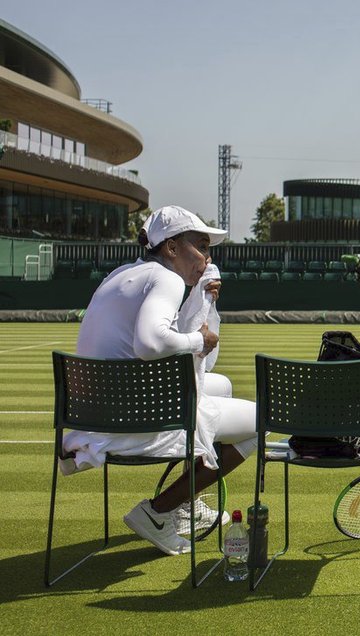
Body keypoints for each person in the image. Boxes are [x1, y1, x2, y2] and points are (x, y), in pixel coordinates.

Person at [62, 205, 257, 556]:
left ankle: (187, 503)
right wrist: (200, 340)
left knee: (221, 385)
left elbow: (157, 339)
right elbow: (151, 342)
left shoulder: (122, 274)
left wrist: (203, 302)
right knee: (264, 422)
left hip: (92, 415)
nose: (206, 256)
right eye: (199, 245)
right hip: (133, 420)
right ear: (171, 248)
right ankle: (159, 511)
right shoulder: (165, 278)